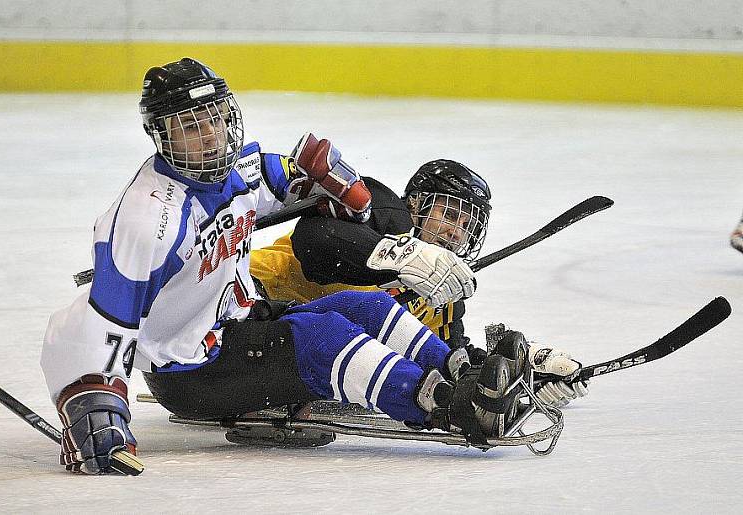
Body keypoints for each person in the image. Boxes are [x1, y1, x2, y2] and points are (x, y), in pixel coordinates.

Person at [40, 57, 552, 476]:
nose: (210, 137)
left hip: (238, 326)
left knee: (365, 306)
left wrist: (341, 190)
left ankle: (464, 371)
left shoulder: (234, 171)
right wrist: (96, 411)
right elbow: (100, 325)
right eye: (190, 129)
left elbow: (286, 177)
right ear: (160, 136)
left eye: (215, 120)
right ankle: (445, 405)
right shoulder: (145, 220)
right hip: (190, 373)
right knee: (321, 334)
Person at [250, 159, 590, 409]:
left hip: (299, 347)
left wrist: (519, 378)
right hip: (246, 303)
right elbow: (316, 241)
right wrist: (398, 258)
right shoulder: (378, 219)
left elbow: (450, 361)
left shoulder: (442, 292)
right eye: (451, 214)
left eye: (469, 224)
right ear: (416, 205)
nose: (458, 231)